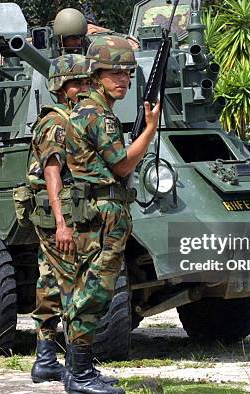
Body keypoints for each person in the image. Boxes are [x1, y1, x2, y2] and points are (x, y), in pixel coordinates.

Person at [64, 35, 160, 394]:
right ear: (95, 75)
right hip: (102, 210)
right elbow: (121, 166)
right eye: (114, 73)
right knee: (96, 290)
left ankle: (79, 370)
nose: (123, 79)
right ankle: (79, 374)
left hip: (98, 208)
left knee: (91, 288)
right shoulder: (96, 114)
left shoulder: (91, 110)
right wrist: (149, 130)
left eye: (128, 73)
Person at [27, 54, 90, 383]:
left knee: (51, 283)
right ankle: (78, 368)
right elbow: (52, 172)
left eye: (86, 82)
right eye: (78, 83)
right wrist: (62, 223)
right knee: (73, 286)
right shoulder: (56, 122)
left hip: (62, 213)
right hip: (58, 217)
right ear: (61, 87)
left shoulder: (74, 119)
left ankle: (46, 359)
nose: (84, 88)